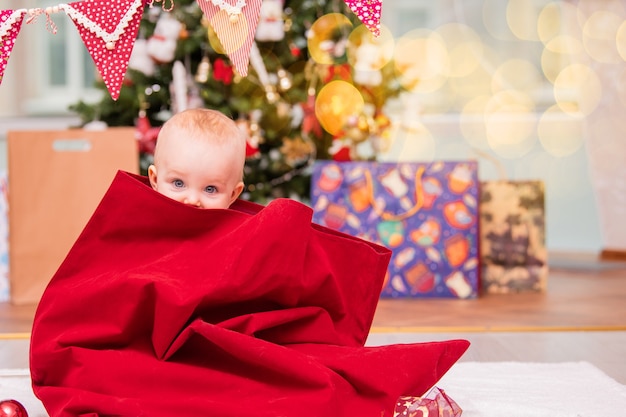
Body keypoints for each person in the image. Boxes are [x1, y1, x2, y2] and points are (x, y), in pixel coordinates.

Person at [148, 108, 246, 209]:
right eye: (178, 183)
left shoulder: (240, 225)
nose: (193, 200)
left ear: (233, 195)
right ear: (155, 180)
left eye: (210, 189)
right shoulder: (140, 220)